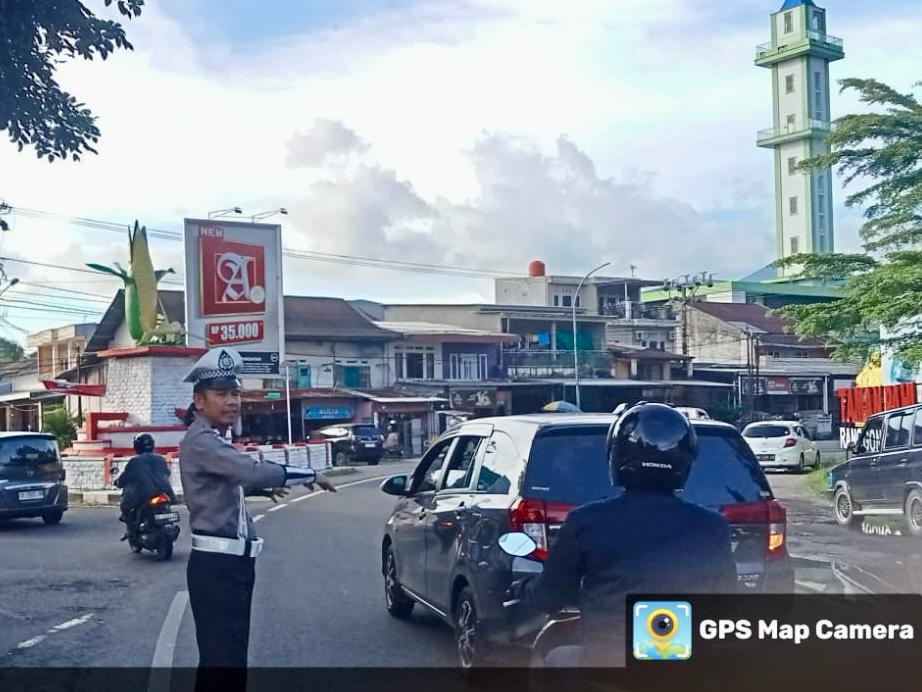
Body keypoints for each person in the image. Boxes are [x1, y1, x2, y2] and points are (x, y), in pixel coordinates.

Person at [512, 402, 737, 667]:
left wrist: (524, 588)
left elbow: (550, 597)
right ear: (685, 461)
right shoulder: (713, 526)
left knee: (553, 658)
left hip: (607, 663)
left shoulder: (586, 521)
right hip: (685, 665)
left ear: (616, 456)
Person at [179, 347, 336, 691]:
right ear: (199, 401)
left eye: (235, 393)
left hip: (229, 564)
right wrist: (307, 473)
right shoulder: (203, 440)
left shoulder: (213, 440)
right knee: (224, 661)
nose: (232, 401)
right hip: (219, 565)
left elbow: (222, 485)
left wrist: (258, 493)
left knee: (226, 658)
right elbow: (249, 470)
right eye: (221, 394)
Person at [115, 433, 176, 530]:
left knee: (125, 506)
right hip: (165, 492)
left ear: (137, 446)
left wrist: (118, 483)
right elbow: (167, 473)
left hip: (144, 495)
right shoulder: (160, 459)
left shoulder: (135, 461)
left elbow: (125, 477)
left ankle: (132, 530)